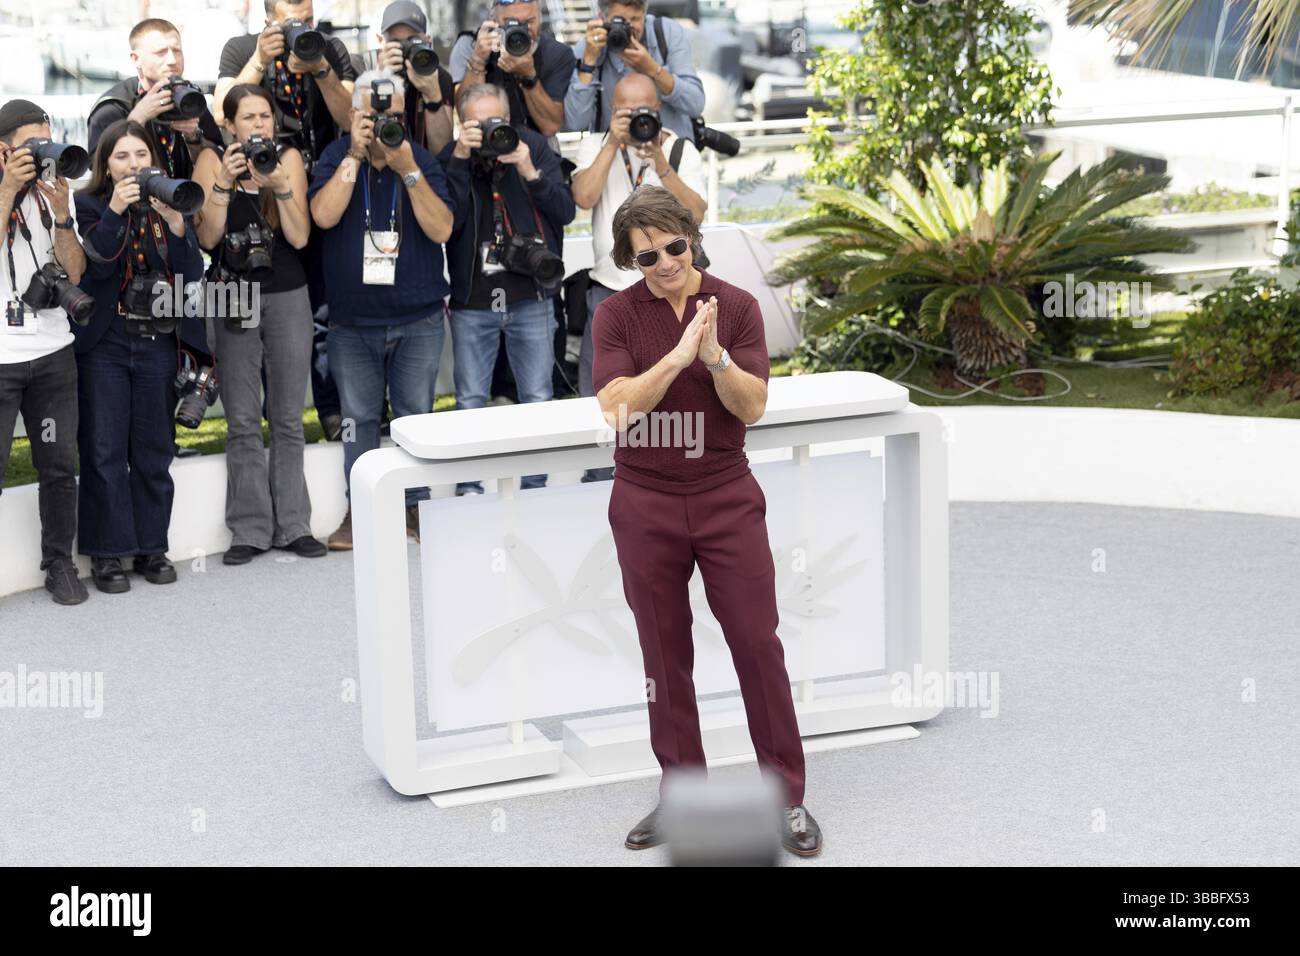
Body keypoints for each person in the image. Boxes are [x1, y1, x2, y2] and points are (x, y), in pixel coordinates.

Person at [591, 186, 822, 857]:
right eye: (645, 256)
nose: (664, 262)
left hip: (726, 495)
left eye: (673, 246)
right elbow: (618, 411)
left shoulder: (739, 306)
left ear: (691, 236)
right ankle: (681, 794)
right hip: (645, 500)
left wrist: (715, 354)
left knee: (757, 644)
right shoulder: (614, 317)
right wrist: (677, 355)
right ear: (629, 261)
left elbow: (751, 407)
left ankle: (787, 798)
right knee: (664, 656)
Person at [308, 70, 455, 550]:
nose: (381, 123)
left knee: (414, 417)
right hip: (353, 322)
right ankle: (361, 511)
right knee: (359, 420)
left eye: (390, 115)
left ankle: (413, 508)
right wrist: (354, 153)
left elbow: (442, 230)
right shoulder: (335, 156)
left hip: (418, 317)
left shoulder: (421, 159)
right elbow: (324, 215)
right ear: (353, 116)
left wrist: (407, 167)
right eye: (371, 114)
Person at [193, 83, 326, 566]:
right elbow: (208, 238)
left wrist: (280, 187)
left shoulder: (287, 158)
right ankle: (249, 528)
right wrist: (226, 185)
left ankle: (294, 524)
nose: (259, 126)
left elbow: (300, 234)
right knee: (243, 418)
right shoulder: (211, 160)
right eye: (248, 118)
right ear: (228, 124)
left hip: (287, 289)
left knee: (289, 416)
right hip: (232, 290)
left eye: (265, 116)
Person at [73, 120, 206, 594]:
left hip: (157, 339)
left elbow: (191, 273)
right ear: (104, 165)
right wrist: (113, 210)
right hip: (106, 340)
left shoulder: (169, 199)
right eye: (122, 157)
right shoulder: (88, 204)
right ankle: (108, 554)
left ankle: (153, 545)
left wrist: (176, 227)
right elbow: (95, 263)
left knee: (154, 449)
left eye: (141, 155)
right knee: (104, 449)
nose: (134, 165)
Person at [438, 83, 574, 496]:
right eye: (479, 124)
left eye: (497, 121)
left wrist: (529, 172)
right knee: (470, 399)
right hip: (472, 300)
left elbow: (565, 211)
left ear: (510, 118)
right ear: (463, 124)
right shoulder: (453, 157)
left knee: (536, 395)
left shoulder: (531, 145)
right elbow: (449, 223)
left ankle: (535, 486)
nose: (491, 131)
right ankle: (469, 485)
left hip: (529, 295)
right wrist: (461, 158)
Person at [571, 72, 705, 481]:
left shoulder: (680, 150)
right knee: (604, 398)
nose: (634, 120)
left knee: (672, 391)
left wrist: (660, 163)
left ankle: (665, 475)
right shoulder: (595, 145)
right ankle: (598, 479)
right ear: (611, 111)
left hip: (670, 294)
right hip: (610, 293)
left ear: (659, 111)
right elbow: (583, 198)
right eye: (624, 111)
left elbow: (697, 215)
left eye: (642, 111)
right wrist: (613, 142)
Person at [0, 100, 89, 605]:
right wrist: (10, 188)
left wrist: (60, 215)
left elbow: (73, 272)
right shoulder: (7, 187)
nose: (41, 152)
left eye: (46, 141)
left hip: (53, 351)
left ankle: (59, 563)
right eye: (32, 143)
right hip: (1, 356)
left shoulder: (56, 194)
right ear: (5, 149)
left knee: (58, 464)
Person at [214, 0, 357, 175]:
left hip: (322, 170)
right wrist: (259, 61)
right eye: (291, 24)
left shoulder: (330, 48)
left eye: (308, 21)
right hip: (262, 169)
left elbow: (350, 120)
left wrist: (321, 69)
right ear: (269, 25)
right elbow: (221, 115)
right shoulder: (242, 49)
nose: (303, 30)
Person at [86, 18, 223, 179]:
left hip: (184, 198)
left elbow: (216, 159)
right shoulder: (113, 106)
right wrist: (137, 120)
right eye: (161, 53)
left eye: (177, 50)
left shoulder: (189, 99)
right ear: (136, 59)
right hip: (132, 200)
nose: (172, 60)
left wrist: (193, 137)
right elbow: (98, 167)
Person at [565, 0, 704, 140]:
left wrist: (652, 69)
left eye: (635, 19)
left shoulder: (667, 33)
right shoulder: (590, 48)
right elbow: (576, 122)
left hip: (669, 153)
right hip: (615, 155)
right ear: (602, 18)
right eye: (619, 20)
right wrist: (588, 63)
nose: (628, 28)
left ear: (645, 14)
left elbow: (695, 104)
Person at [449, 0, 575, 140]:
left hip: (538, 146)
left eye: (529, 21)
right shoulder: (471, 45)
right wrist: (478, 61)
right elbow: (464, 117)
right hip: (483, 141)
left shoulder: (556, 53)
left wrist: (528, 76)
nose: (521, 30)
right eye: (511, 22)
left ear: (540, 19)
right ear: (493, 21)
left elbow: (550, 127)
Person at [374, 0, 455, 156]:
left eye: (412, 41)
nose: (405, 49)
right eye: (396, 43)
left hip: (424, 169)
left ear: (428, 41)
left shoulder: (438, 76)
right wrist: (380, 79)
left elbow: (443, 151)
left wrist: (432, 95)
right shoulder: (366, 70)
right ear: (380, 42)